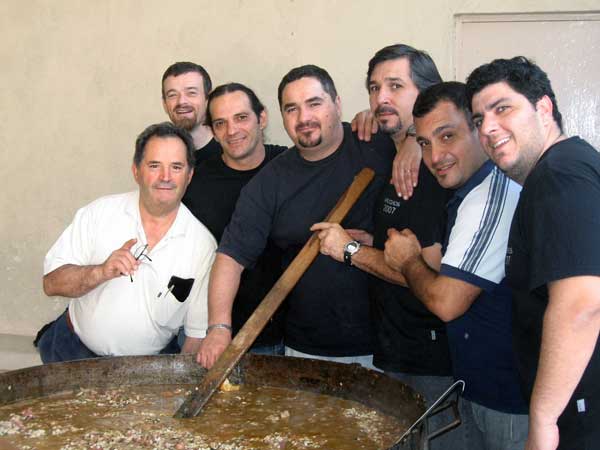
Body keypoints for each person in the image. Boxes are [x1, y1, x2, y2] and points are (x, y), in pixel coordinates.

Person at [196, 64, 394, 369]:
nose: (303, 118)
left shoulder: (376, 144)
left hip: (388, 346)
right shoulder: (269, 182)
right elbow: (230, 257)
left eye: (314, 104)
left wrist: (411, 145)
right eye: (292, 109)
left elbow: (427, 129)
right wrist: (219, 328)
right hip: (307, 348)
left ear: (337, 103)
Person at [310, 44, 456, 448]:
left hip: (433, 363)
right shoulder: (394, 159)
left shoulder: (433, 171)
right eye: (374, 88)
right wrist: (372, 243)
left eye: (395, 86)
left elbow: (428, 272)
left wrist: (349, 251)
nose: (381, 98)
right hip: (393, 353)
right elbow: (403, 243)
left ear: (427, 94)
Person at [383, 82, 528, 450]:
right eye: (425, 143)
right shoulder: (466, 192)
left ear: (478, 129)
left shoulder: (491, 196)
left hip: (510, 400)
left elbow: (447, 303)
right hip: (477, 386)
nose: (435, 156)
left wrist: (407, 260)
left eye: (448, 136)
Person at [466, 56, 600, 450]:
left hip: (581, 415)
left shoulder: (559, 175)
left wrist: (543, 419)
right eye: (479, 119)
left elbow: (581, 304)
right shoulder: (568, 167)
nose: (487, 128)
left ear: (543, 108)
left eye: (502, 108)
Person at [38, 122, 216, 363]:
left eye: (176, 167)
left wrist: (178, 380)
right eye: (154, 166)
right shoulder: (98, 214)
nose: (165, 177)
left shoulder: (203, 245)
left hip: (146, 369)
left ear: (189, 175)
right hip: (71, 351)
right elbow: (51, 283)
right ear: (136, 171)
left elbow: (195, 336)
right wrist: (100, 272)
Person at [182, 82, 287, 355]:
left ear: (261, 118)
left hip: (287, 334)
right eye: (220, 123)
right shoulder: (195, 184)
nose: (232, 131)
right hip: (212, 335)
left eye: (241, 118)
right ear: (212, 131)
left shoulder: (289, 165)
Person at [161, 61, 222, 162]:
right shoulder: (159, 155)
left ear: (208, 99)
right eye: (172, 95)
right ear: (164, 104)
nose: (181, 101)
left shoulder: (229, 152)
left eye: (191, 93)